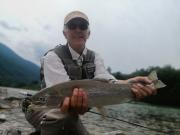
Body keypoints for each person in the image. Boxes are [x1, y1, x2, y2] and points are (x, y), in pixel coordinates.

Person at [25, 11, 157, 135]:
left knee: (68, 120)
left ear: (88, 33)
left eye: (82, 26)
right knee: (62, 117)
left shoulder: (95, 57)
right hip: (38, 107)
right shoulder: (52, 56)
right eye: (72, 26)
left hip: (69, 114)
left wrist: (129, 84)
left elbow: (107, 81)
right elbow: (62, 98)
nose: (78, 29)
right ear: (64, 33)